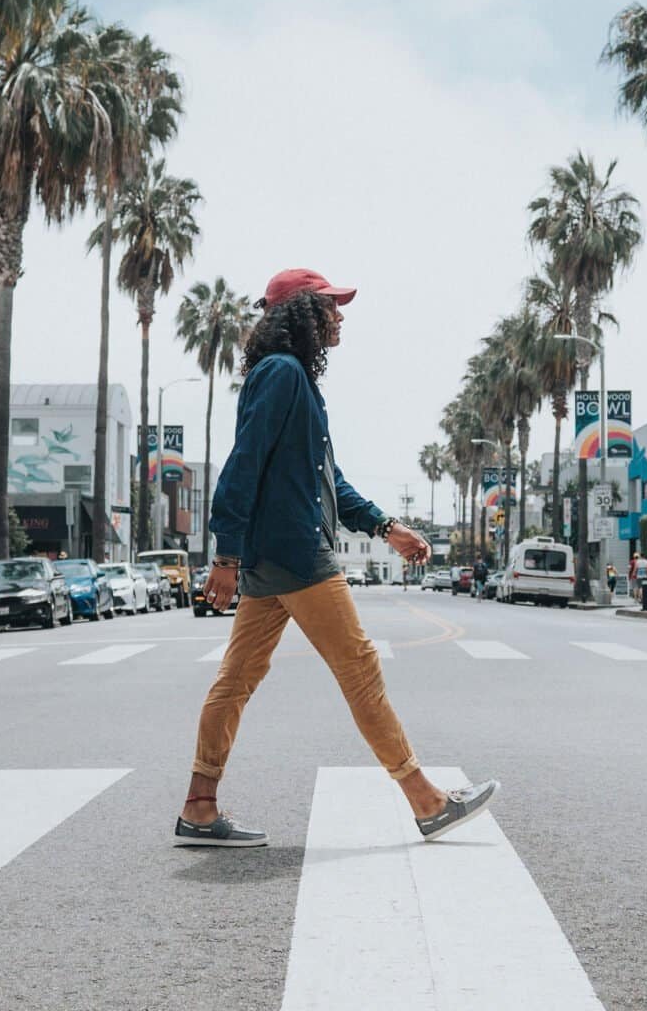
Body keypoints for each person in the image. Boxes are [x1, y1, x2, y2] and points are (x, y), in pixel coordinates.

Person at [174, 268, 499, 848]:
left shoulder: (294, 381)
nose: (340, 315)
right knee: (360, 669)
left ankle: (199, 806)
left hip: (275, 555)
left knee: (238, 679)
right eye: (330, 306)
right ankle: (426, 801)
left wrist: (387, 526)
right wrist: (224, 553)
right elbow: (242, 463)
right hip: (297, 553)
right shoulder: (282, 374)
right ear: (301, 313)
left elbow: (330, 484)